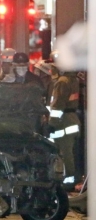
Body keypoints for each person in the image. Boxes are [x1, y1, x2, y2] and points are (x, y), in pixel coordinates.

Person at [47, 50, 81, 190]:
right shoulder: (74, 80)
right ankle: (70, 180)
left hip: (63, 122)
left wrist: (51, 124)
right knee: (69, 152)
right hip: (72, 120)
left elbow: (58, 105)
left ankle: (66, 184)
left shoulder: (62, 82)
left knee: (64, 153)